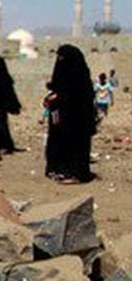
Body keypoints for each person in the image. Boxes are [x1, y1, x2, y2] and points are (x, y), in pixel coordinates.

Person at [44, 44, 96, 184]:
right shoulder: (64, 75)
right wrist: (51, 99)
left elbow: (77, 97)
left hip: (77, 120)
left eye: (63, 57)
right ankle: (59, 169)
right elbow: (59, 89)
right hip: (62, 120)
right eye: (59, 57)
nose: (60, 61)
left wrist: (60, 98)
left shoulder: (81, 78)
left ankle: (76, 174)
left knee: (76, 144)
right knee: (59, 142)